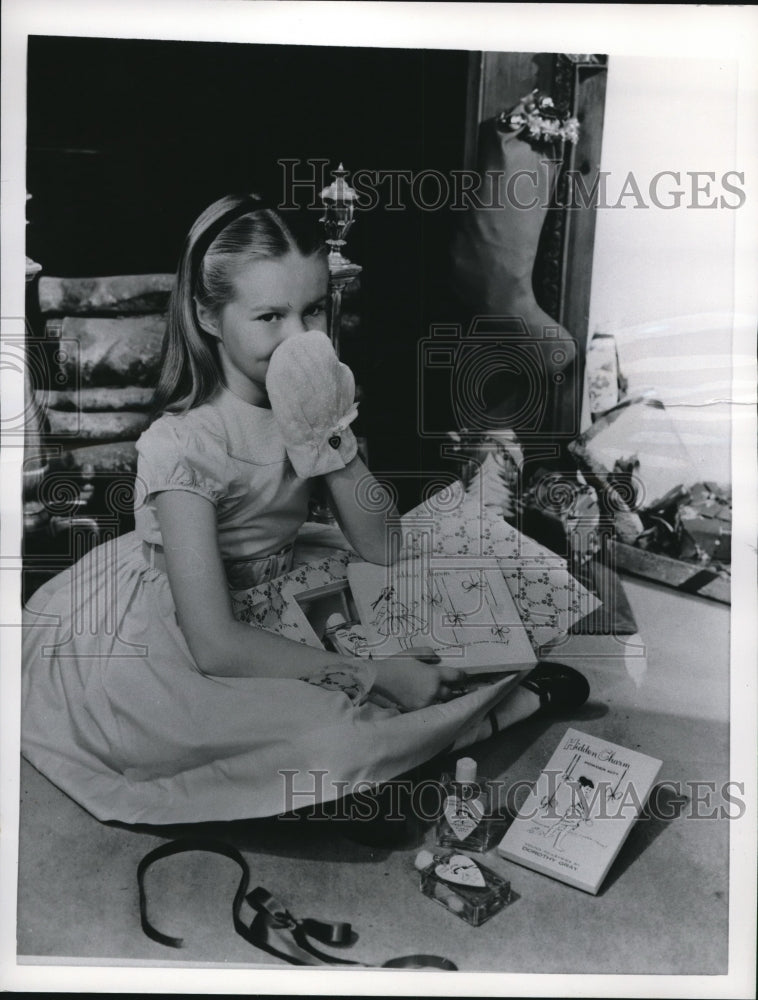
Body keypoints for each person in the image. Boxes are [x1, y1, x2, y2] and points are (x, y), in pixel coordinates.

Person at [21, 193, 589, 826]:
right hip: (195, 621)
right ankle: (487, 723)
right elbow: (214, 645)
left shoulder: (313, 398)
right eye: (269, 316)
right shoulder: (182, 444)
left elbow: (381, 547)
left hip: (292, 575)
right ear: (209, 318)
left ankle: (409, 750)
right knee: (334, 733)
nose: (298, 337)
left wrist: (328, 436)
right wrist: (373, 674)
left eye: (313, 310)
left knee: (489, 603)